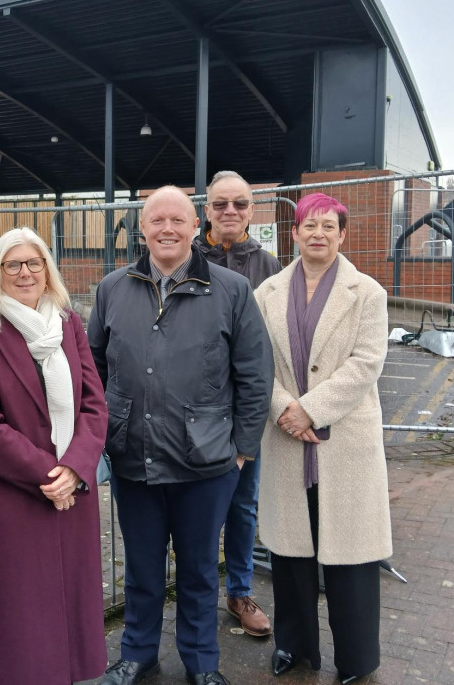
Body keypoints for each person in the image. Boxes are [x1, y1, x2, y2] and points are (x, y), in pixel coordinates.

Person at [88, 186, 273, 685]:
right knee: (143, 570)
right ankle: (138, 655)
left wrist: (243, 449)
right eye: (156, 220)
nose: (167, 229)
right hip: (134, 458)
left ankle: (201, 664)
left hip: (207, 462)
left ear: (196, 226)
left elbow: (256, 374)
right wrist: (107, 432)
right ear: (142, 228)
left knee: (196, 571)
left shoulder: (232, 290)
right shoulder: (112, 289)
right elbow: (92, 369)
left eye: (177, 220)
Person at [0, 227, 108, 685]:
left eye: (34, 263)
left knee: (70, 611)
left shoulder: (68, 323)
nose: (25, 273)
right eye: (13, 264)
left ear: (47, 270)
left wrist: (75, 469)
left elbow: (94, 406)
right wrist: (51, 473)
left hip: (72, 491)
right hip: (14, 497)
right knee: (20, 621)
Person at [253, 193, 391, 684]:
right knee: (291, 555)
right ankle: (294, 646)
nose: (318, 234)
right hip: (287, 440)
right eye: (309, 225)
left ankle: (356, 659)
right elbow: (255, 364)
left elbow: (366, 364)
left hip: (344, 443)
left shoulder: (367, 293)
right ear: (293, 233)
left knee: (350, 557)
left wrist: (308, 409)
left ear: (342, 235)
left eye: (328, 227)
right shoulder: (266, 292)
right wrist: (283, 411)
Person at [194, 171, 281, 638]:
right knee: (198, 510)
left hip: (245, 409)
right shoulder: (186, 258)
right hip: (195, 411)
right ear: (206, 210)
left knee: (243, 506)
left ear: (253, 210)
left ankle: (240, 591)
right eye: (221, 204)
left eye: (241, 204)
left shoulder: (268, 266)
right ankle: (199, 592)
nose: (231, 212)